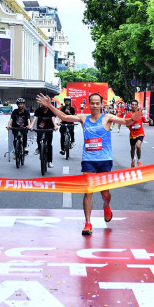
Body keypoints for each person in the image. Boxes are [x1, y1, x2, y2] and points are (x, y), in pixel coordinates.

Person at [36, 92, 136, 236]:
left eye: (97, 103)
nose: (95, 106)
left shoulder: (107, 118)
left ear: (102, 104)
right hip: (88, 160)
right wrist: (50, 105)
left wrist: (132, 118)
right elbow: (64, 117)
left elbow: (125, 122)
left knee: (105, 193)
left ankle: (106, 206)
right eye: (92, 103)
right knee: (88, 190)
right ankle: (88, 222)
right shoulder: (84, 118)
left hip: (104, 160)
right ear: (88, 104)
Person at [126, 99, 153, 167]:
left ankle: (139, 160)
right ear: (130, 106)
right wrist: (131, 122)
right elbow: (126, 124)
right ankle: (132, 160)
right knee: (132, 149)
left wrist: (149, 121)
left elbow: (145, 120)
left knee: (138, 146)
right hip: (132, 135)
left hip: (140, 133)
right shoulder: (128, 115)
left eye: (135, 105)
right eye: (133, 105)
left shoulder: (140, 114)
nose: (134, 106)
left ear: (137, 106)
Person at [31, 103, 58, 168]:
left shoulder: (51, 110)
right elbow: (35, 119)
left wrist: (55, 126)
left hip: (49, 129)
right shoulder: (38, 110)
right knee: (38, 139)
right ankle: (39, 148)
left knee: (49, 145)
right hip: (40, 128)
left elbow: (53, 118)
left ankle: (49, 162)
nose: (45, 105)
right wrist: (31, 126)